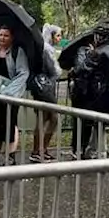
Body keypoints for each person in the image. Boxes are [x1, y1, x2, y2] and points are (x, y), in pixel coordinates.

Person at [69, 27, 109, 159]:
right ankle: (97, 149)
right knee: (99, 124)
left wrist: (73, 72)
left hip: (97, 94)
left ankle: (91, 151)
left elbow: (82, 68)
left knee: (89, 121)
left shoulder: (98, 52)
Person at [0, 25, 29, 167]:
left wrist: (8, 91)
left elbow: (23, 73)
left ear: (12, 37)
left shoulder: (17, 52)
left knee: (10, 123)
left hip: (9, 95)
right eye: (0, 34)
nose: (2, 38)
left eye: (6, 35)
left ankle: (10, 156)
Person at [30, 24, 64, 162]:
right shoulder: (47, 49)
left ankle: (39, 150)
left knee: (45, 117)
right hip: (45, 88)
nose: (60, 38)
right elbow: (54, 71)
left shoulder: (43, 47)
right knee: (51, 118)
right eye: (58, 35)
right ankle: (39, 150)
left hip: (42, 87)